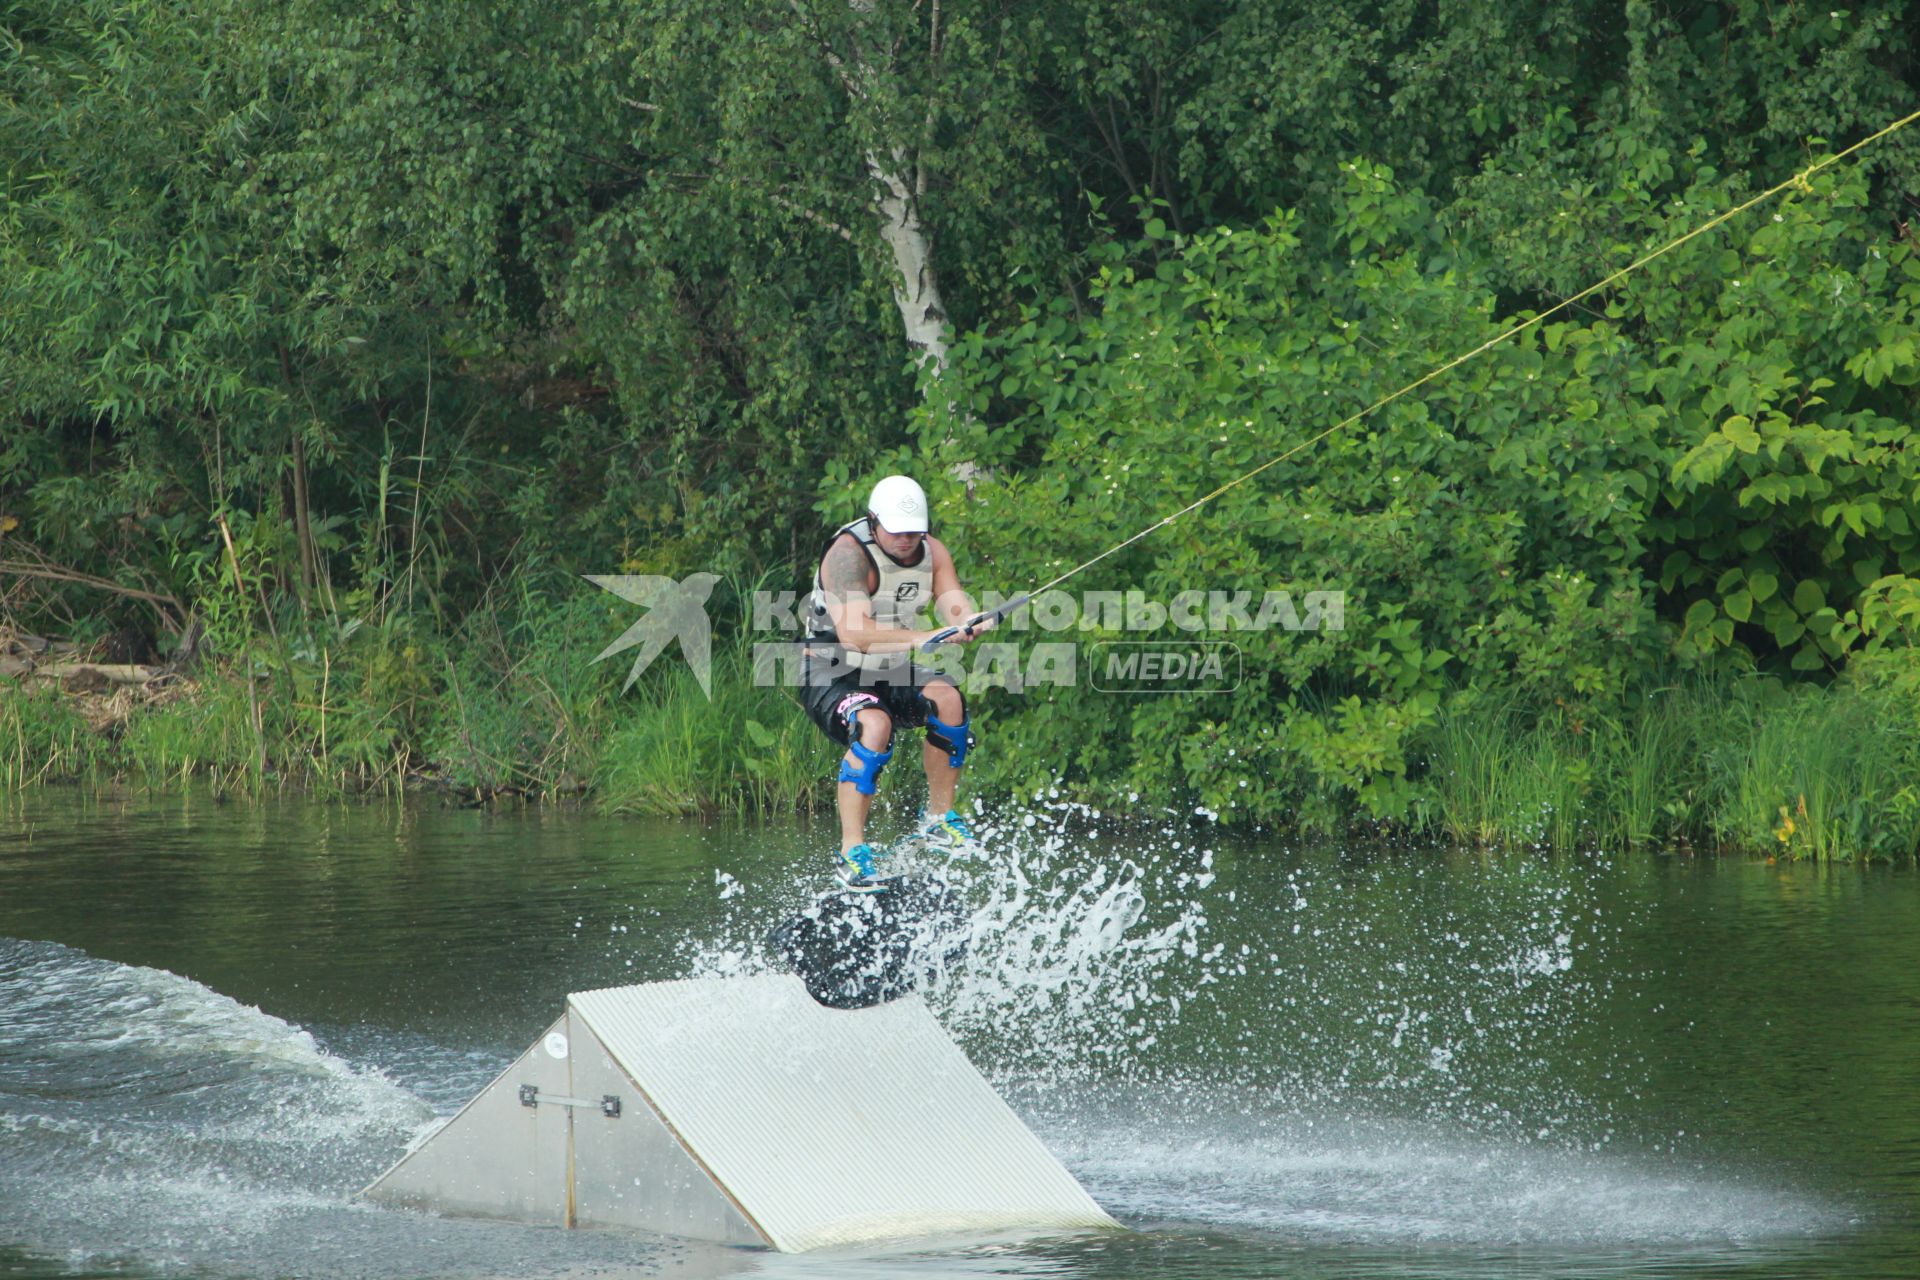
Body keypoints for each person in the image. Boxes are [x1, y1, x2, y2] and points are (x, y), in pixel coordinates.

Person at [798, 474, 993, 888]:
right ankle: (853, 853)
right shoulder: (848, 556)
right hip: (830, 668)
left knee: (948, 698)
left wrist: (968, 621)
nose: (907, 540)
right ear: (874, 522)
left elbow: (953, 602)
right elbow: (854, 633)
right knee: (874, 724)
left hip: (888, 664)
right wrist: (922, 637)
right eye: (897, 532)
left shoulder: (932, 552)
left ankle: (938, 819)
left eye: (914, 532)